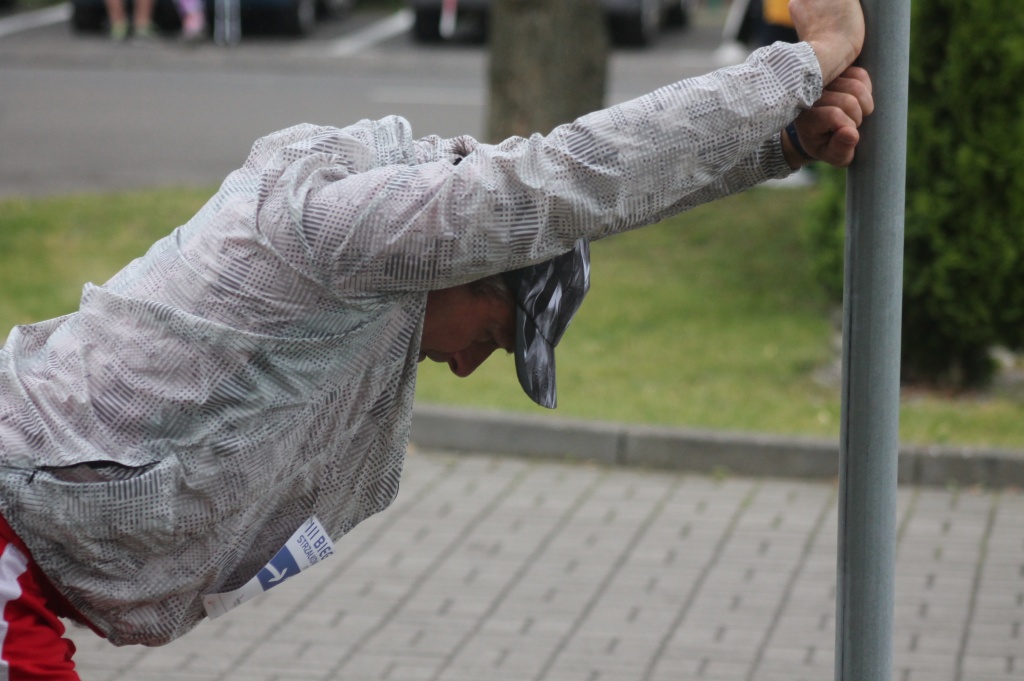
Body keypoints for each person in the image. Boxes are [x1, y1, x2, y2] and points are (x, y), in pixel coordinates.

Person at [0, 0, 873, 675]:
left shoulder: (380, 278)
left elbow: (599, 204)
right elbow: (572, 179)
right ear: (466, 262)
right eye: (493, 336)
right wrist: (804, 62)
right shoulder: (346, 234)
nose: (464, 364)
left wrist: (780, 146)